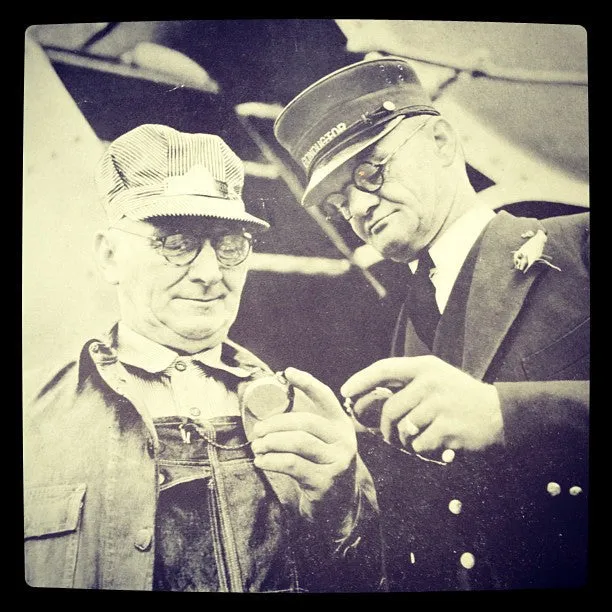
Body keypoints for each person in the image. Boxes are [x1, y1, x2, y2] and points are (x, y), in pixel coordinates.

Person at [23, 123, 385, 593]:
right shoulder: (33, 415)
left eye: (230, 245)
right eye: (177, 242)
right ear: (110, 255)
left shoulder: (306, 418)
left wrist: (339, 503)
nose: (211, 273)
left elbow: (364, 580)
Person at [273, 57, 589, 591]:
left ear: (442, 141)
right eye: (337, 202)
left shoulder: (578, 248)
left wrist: (505, 414)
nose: (357, 209)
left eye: (370, 171)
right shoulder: (399, 324)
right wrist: (348, 472)